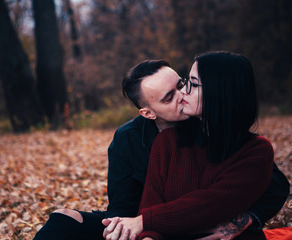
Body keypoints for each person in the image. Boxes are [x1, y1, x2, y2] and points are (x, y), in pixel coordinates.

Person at [34, 59, 290, 240]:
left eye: (182, 84)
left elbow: (274, 184)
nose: (183, 95)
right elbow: (122, 207)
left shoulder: (210, 122)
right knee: (64, 218)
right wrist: (133, 229)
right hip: (145, 223)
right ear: (148, 112)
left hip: (190, 222)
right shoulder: (129, 139)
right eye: (169, 97)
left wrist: (244, 220)